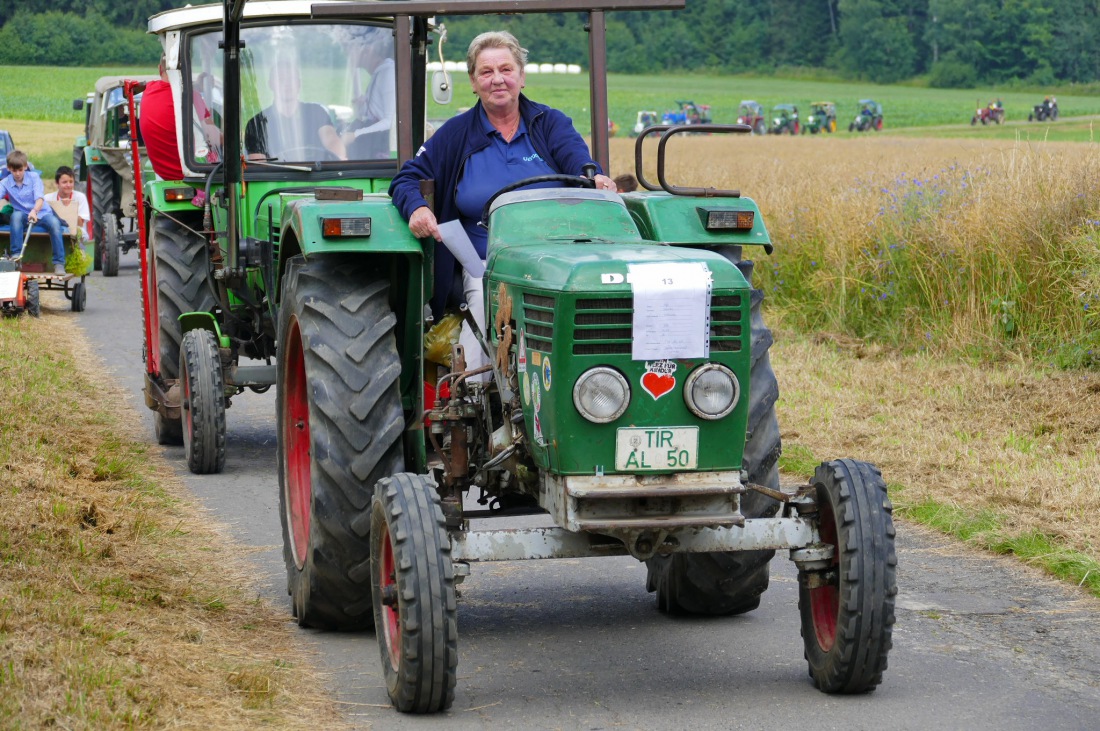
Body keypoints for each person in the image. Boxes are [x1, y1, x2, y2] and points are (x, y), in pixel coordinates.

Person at [389, 30, 615, 377]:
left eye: (506, 70)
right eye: (486, 72)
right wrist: (417, 208)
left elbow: (578, 162)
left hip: (554, 256)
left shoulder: (549, 124)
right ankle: (476, 394)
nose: (498, 80)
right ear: (473, 82)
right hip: (485, 262)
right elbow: (406, 178)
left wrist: (596, 178)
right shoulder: (455, 134)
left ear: (521, 76)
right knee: (483, 302)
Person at [245, 55, 346, 161]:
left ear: (299, 84)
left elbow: (331, 139)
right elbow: (259, 164)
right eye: (281, 79)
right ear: (271, 84)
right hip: (276, 177)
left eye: (291, 79)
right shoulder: (256, 124)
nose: (287, 84)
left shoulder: (316, 112)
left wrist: (339, 156)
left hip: (317, 176)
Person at [1, 151, 66, 274]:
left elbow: (40, 198)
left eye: (20, 170)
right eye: (14, 171)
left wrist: (34, 211)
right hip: (22, 215)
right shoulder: (5, 182)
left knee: (55, 224)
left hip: (41, 212)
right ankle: (16, 257)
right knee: (15, 217)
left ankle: (59, 263)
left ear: (25, 167)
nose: (18, 173)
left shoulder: (34, 177)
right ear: (9, 169)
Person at [343, 33, 396, 159]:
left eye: (351, 47)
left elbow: (391, 122)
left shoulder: (387, 74)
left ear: (368, 49)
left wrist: (355, 135)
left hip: (382, 150)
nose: (347, 53)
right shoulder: (378, 74)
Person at [141, 56, 187, 181]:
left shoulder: (149, 90)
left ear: (159, 68)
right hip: (193, 172)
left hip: (162, 173)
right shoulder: (191, 97)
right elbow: (213, 136)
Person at [43, 166, 91, 240]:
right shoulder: (47, 198)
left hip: (76, 230)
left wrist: (70, 208)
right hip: (55, 229)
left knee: (82, 234)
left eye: (71, 182)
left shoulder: (80, 197)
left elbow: (80, 224)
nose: (68, 185)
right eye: (64, 182)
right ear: (57, 183)